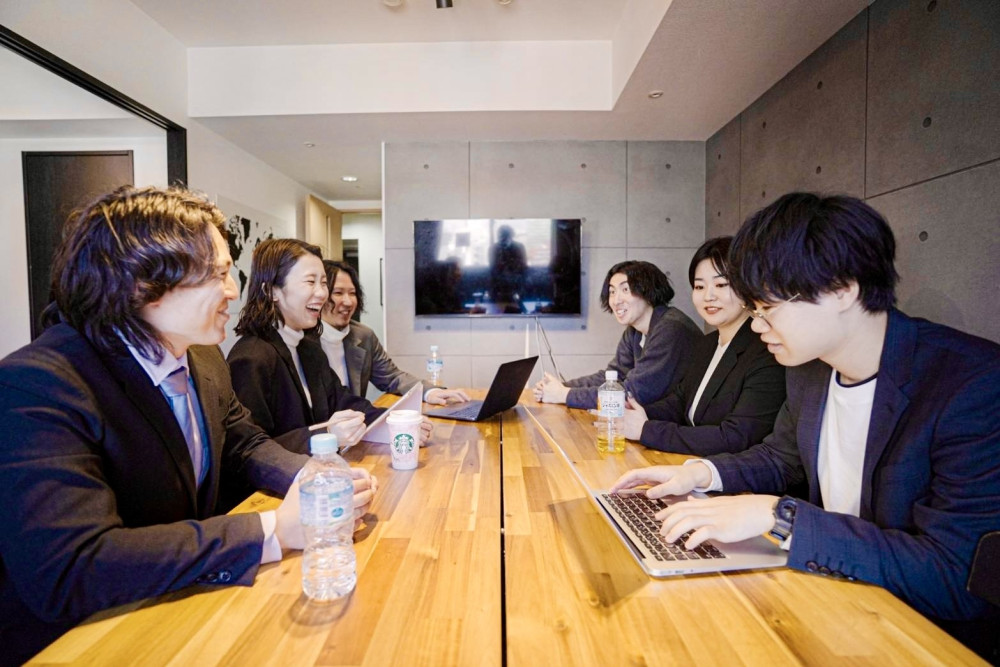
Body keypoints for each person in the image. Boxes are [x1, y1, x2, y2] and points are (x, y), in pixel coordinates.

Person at [0, 186, 377, 664]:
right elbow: (71, 567)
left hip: (177, 611)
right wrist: (273, 530)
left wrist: (316, 478)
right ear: (142, 284)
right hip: (80, 641)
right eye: (217, 274)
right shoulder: (37, 384)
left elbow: (244, 443)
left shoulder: (203, 357)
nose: (234, 291)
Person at [612, 193, 1000, 638]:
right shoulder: (810, 370)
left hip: (922, 635)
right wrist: (699, 474)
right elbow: (781, 457)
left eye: (768, 308)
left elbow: (956, 576)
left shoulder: (971, 386)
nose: (757, 326)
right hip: (834, 600)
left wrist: (781, 517)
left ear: (842, 289)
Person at [228, 239, 432, 455]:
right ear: (271, 290)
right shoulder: (251, 358)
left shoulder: (308, 348)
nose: (322, 293)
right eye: (310, 282)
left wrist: (394, 420)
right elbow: (250, 451)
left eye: (323, 283)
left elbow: (343, 401)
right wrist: (326, 435)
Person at [623, 237, 785, 455]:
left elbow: (735, 437)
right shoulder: (706, 344)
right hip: (686, 462)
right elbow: (680, 401)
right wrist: (633, 413)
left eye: (721, 285)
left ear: (747, 287)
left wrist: (646, 430)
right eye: (699, 286)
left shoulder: (766, 350)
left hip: (726, 472)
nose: (708, 296)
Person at [534, 260, 701, 409]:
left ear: (648, 291)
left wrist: (564, 395)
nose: (616, 300)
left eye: (625, 289)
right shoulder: (634, 331)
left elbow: (632, 394)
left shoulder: (671, 328)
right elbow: (612, 377)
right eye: (612, 292)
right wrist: (561, 387)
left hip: (686, 426)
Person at [320, 260, 470, 405]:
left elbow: (392, 377)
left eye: (352, 293)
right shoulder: (307, 339)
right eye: (338, 293)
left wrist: (430, 392)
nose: (348, 302)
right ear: (319, 295)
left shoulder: (363, 335)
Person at [489, 224, 527, 311]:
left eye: (505, 236)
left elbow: (523, 267)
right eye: (501, 236)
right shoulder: (493, 248)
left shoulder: (519, 247)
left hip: (515, 285)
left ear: (511, 236)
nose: (503, 239)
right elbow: (493, 268)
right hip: (499, 286)